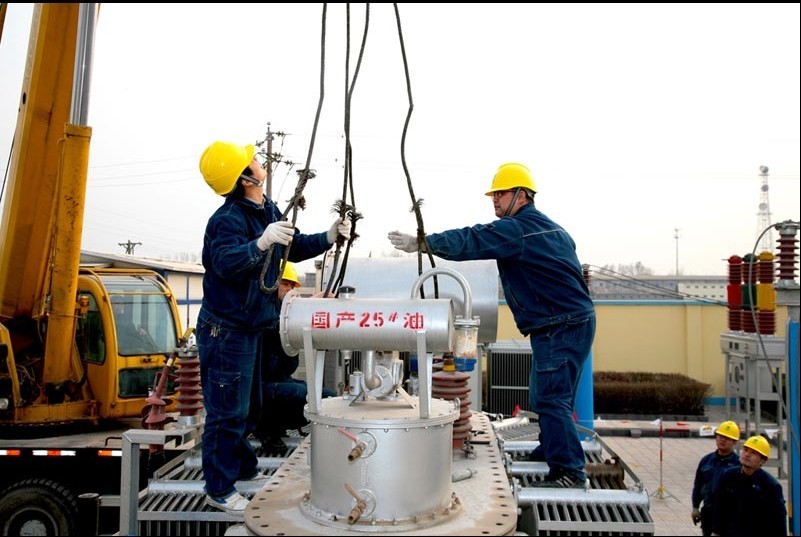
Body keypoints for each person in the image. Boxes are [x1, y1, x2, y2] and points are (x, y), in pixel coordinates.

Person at [388, 162, 595, 489]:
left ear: (522, 195)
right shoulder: (555, 230)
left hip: (558, 325)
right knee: (549, 395)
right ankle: (552, 450)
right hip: (571, 322)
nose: (495, 199)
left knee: (552, 398)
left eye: (502, 193)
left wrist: (424, 242)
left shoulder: (517, 229)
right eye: (494, 194)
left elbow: (474, 239)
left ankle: (569, 471)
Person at [196, 141, 351, 515]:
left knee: (248, 409)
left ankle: (242, 469)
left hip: (248, 326)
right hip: (226, 330)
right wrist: (260, 244)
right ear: (244, 178)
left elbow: (291, 247)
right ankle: (219, 488)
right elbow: (225, 262)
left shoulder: (266, 208)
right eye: (250, 159)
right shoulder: (227, 220)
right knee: (227, 412)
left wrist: (328, 237)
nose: (257, 159)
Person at [252, 261, 335, 450]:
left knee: (329, 398)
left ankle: (278, 427)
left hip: (280, 380)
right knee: (299, 395)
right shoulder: (261, 312)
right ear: (271, 283)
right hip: (258, 386)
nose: (289, 289)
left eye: (292, 285)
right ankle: (266, 431)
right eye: (285, 283)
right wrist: (310, 303)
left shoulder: (284, 313)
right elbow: (275, 326)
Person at [711, 434, 787, 536]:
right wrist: (716, 531)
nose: (747, 455)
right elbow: (718, 507)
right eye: (746, 450)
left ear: (763, 460)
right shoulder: (728, 476)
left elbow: (779, 521)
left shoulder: (770, 486)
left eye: (753, 453)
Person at [691, 420, 741, 535]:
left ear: (734, 442)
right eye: (720, 436)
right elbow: (698, 484)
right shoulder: (706, 460)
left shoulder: (738, 465)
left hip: (729, 515)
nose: (722, 440)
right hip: (708, 511)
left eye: (727, 438)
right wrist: (695, 507)